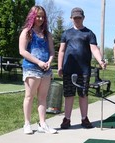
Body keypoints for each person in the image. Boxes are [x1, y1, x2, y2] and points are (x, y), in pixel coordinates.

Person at [57, 7, 107, 129]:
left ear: (83, 18)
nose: (77, 20)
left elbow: (94, 49)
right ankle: (67, 119)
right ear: (71, 18)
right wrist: (59, 66)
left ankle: (84, 119)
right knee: (69, 95)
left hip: (84, 70)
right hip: (68, 69)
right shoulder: (66, 33)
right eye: (75, 18)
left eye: (79, 17)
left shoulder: (89, 33)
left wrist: (101, 61)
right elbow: (62, 51)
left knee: (83, 94)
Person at [19, 5, 57, 134]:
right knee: (29, 96)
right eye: (37, 16)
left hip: (45, 70)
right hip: (31, 69)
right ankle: (27, 124)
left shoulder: (47, 34)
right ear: (32, 16)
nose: (40, 18)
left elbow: (52, 52)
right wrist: (38, 62)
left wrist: (49, 62)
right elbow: (22, 51)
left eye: (42, 16)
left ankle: (42, 124)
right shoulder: (27, 32)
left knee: (43, 97)